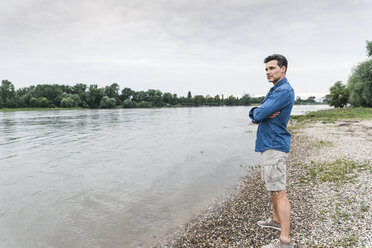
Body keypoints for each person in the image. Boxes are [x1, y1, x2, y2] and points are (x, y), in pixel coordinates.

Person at [249, 54, 295, 248]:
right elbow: (258, 113)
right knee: (272, 188)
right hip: (269, 144)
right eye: (266, 69)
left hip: (274, 145)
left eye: (272, 68)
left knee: (279, 192)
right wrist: (257, 112)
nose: (268, 72)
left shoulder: (283, 91)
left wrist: (258, 113)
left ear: (282, 69)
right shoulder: (275, 89)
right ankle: (276, 221)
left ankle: (285, 241)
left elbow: (259, 113)